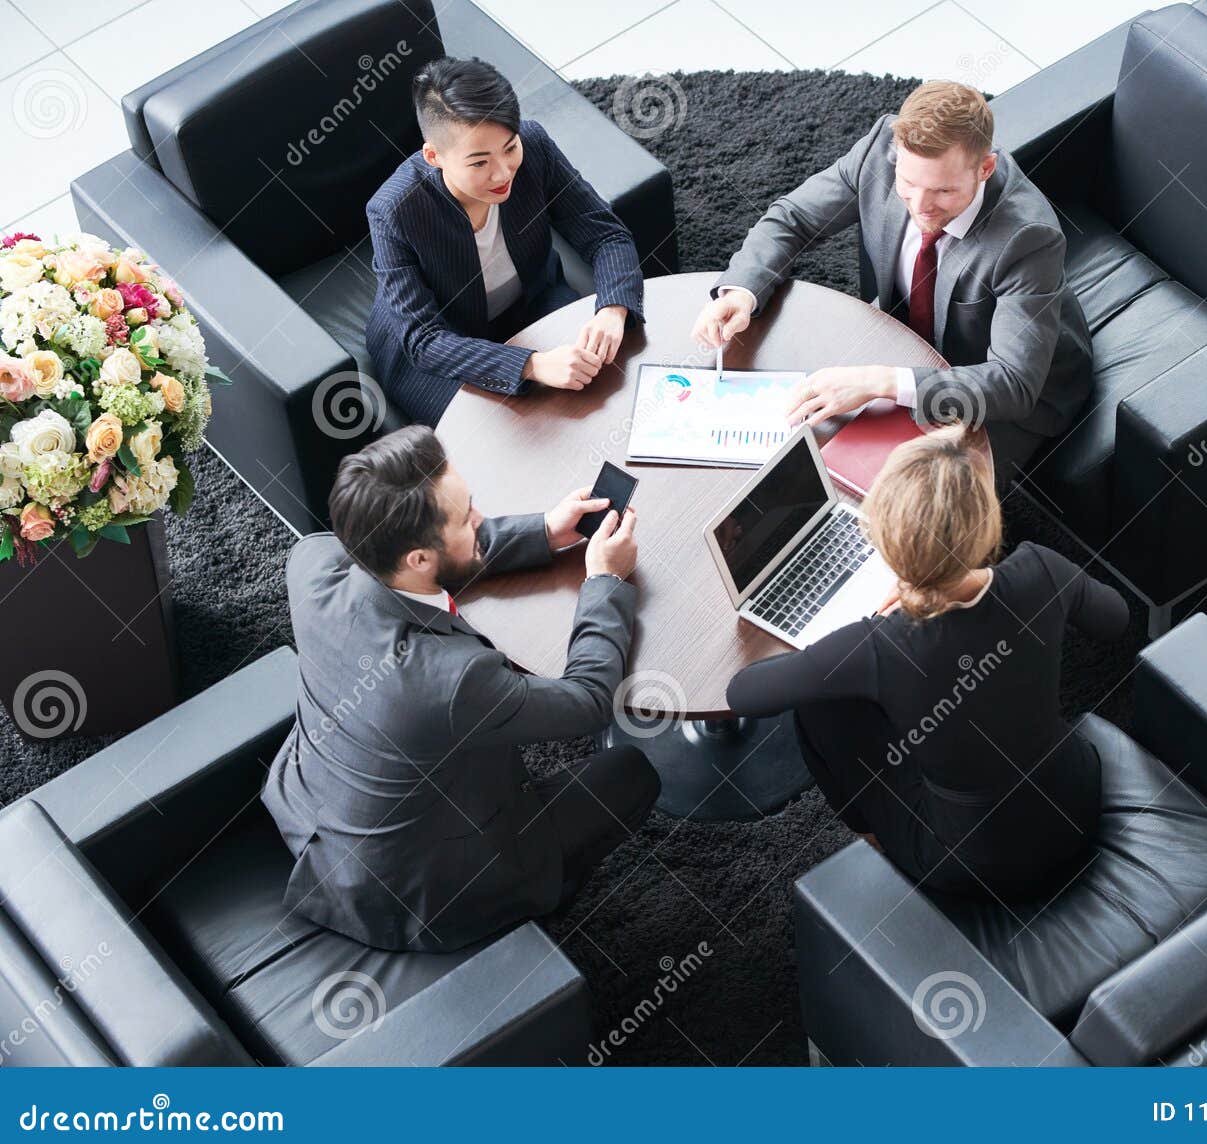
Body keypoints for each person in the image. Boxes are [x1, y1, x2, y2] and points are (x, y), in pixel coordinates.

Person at [261, 425, 658, 952]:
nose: (480, 518)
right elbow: (588, 701)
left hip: (308, 810)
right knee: (630, 774)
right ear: (420, 560)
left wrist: (542, 531)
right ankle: (537, 902)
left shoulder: (313, 565)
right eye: (467, 516)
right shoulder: (452, 681)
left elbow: (410, 557)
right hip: (414, 893)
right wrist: (603, 581)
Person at [725, 431, 1127, 897]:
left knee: (821, 705)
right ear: (986, 519)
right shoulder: (1041, 569)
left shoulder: (876, 646)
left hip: (969, 863)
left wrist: (850, 641)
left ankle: (875, 840)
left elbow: (744, 694)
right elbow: (1114, 620)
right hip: (1074, 804)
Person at [691, 80, 1091, 486]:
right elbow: (795, 217)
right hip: (907, 342)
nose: (920, 208)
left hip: (1006, 392)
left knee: (915, 502)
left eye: (942, 191)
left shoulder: (1027, 238)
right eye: (908, 185)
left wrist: (880, 383)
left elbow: (1013, 384)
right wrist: (741, 290)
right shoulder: (880, 149)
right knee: (814, 451)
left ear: (985, 168)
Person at [366, 57, 646, 426]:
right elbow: (424, 341)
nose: (502, 172)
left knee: (604, 392)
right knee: (498, 439)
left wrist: (613, 309)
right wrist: (532, 365)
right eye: (480, 162)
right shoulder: (394, 210)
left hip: (532, 301)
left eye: (509, 148)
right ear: (434, 156)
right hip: (444, 346)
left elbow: (604, 233)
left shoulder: (535, 145)